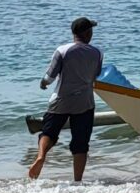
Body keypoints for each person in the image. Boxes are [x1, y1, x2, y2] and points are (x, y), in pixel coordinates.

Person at [32, 17, 103, 182]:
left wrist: (43, 84)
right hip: (84, 103)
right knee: (81, 144)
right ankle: (77, 181)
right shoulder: (97, 52)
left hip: (61, 101)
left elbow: (49, 77)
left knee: (49, 132)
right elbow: (96, 75)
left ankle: (41, 156)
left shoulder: (62, 50)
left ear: (73, 33)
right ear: (88, 33)